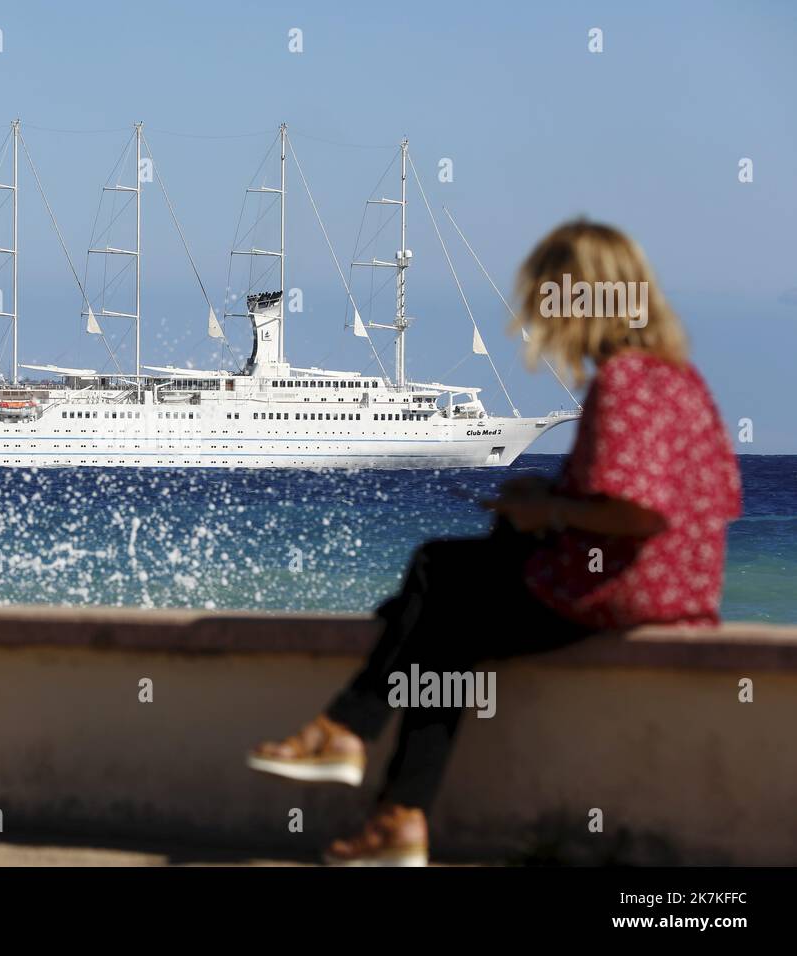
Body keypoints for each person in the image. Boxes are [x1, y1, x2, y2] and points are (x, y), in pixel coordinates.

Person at [246, 220, 742, 866]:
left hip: (628, 587)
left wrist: (550, 509)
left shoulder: (624, 380)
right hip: (684, 585)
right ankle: (395, 817)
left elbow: (640, 513)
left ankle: (347, 733)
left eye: (547, 301)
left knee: (434, 577)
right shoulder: (681, 380)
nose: (542, 321)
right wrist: (546, 503)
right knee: (442, 622)